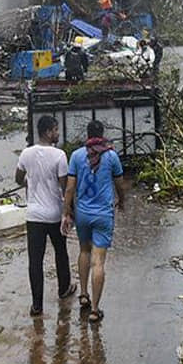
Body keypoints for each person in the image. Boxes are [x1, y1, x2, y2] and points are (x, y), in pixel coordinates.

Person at [64, 119, 126, 324]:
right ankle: (95, 309)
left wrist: (67, 211)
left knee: (83, 251)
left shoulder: (76, 156)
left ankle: (83, 294)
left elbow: (70, 188)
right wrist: (122, 201)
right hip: (103, 215)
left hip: (82, 214)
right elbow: (119, 184)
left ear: (87, 135)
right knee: (98, 261)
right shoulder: (111, 156)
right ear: (103, 134)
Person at [16, 116, 76, 316]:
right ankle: (64, 289)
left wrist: (31, 183)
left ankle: (37, 306)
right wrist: (69, 212)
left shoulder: (26, 153)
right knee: (61, 253)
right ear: (49, 132)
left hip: (33, 215)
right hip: (54, 214)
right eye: (56, 130)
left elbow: (18, 178)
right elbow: (65, 187)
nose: (58, 133)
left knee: (35, 260)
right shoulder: (59, 155)